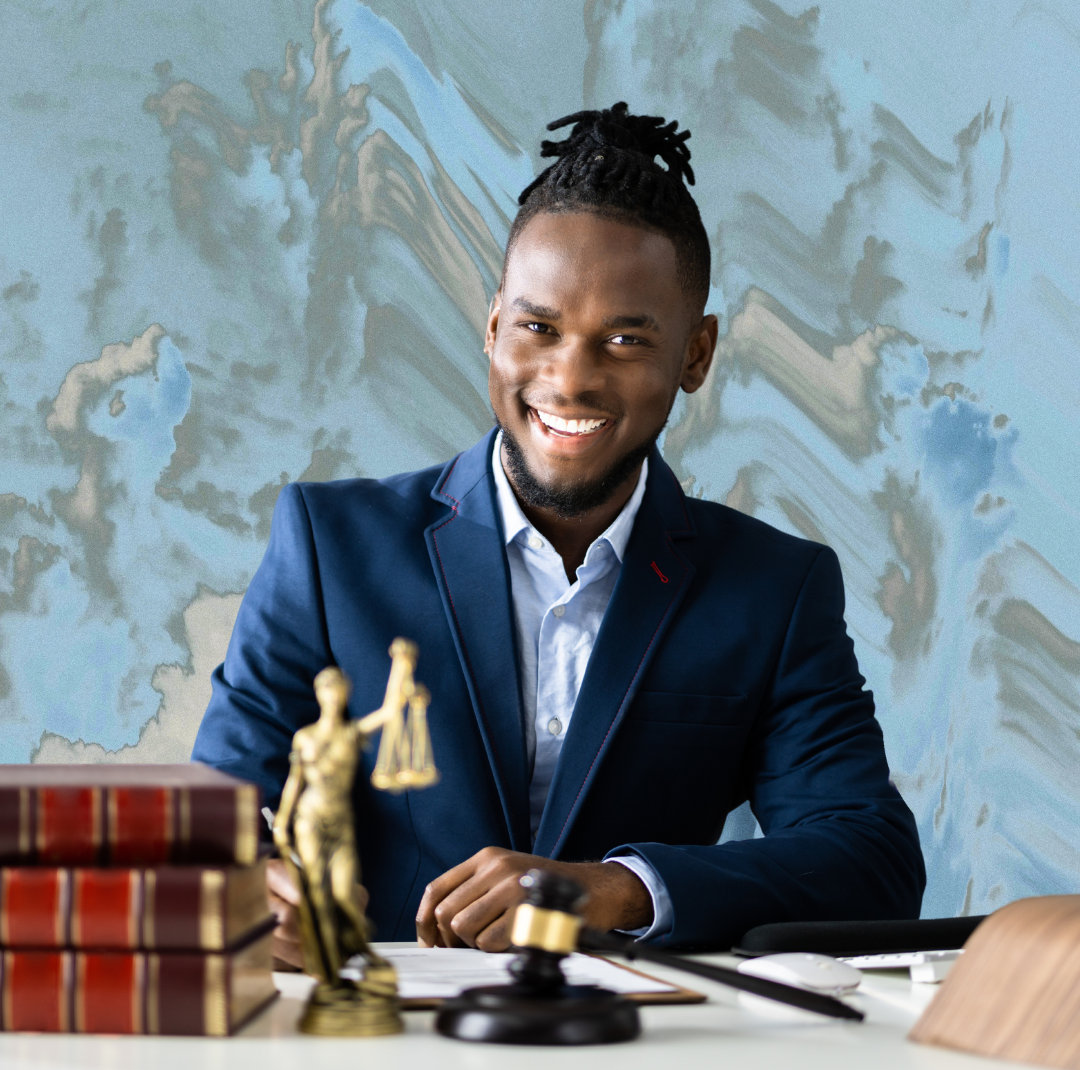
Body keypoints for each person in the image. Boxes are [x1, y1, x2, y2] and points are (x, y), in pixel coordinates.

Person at [193, 103, 925, 965]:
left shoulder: (774, 589)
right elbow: (211, 816)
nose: (569, 379)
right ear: (495, 323)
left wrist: (613, 887)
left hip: (638, 1045)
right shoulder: (330, 545)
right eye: (539, 328)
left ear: (696, 355)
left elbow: (872, 862)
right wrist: (243, 884)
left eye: (622, 339)